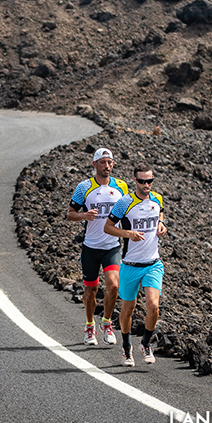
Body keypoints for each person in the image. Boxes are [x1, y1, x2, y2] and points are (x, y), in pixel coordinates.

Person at [104, 164, 167, 367]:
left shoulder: (157, 199)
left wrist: (161, 224)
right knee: (128, 309)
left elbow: (160, 213)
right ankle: (126, 347)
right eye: (142, 181)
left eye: (149, 181)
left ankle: (146, 344)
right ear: (135, 181)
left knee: (153, 306)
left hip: (153, 264)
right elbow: (108, 227)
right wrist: (128, 234)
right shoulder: (125, 203)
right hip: (130, 265)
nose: (146, 185)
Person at [67, 147, 129, 346]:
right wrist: (85, 215)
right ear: (95, 165)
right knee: (90, 291)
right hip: (91, 247)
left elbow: (128, 212)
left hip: (112, 246)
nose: (107, 166)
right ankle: (89, 326)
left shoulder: (121, 186)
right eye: (102, 162)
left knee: (114, 285)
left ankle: (107, 322)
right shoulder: (84, 187)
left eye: (110, 162)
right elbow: (70, 214)